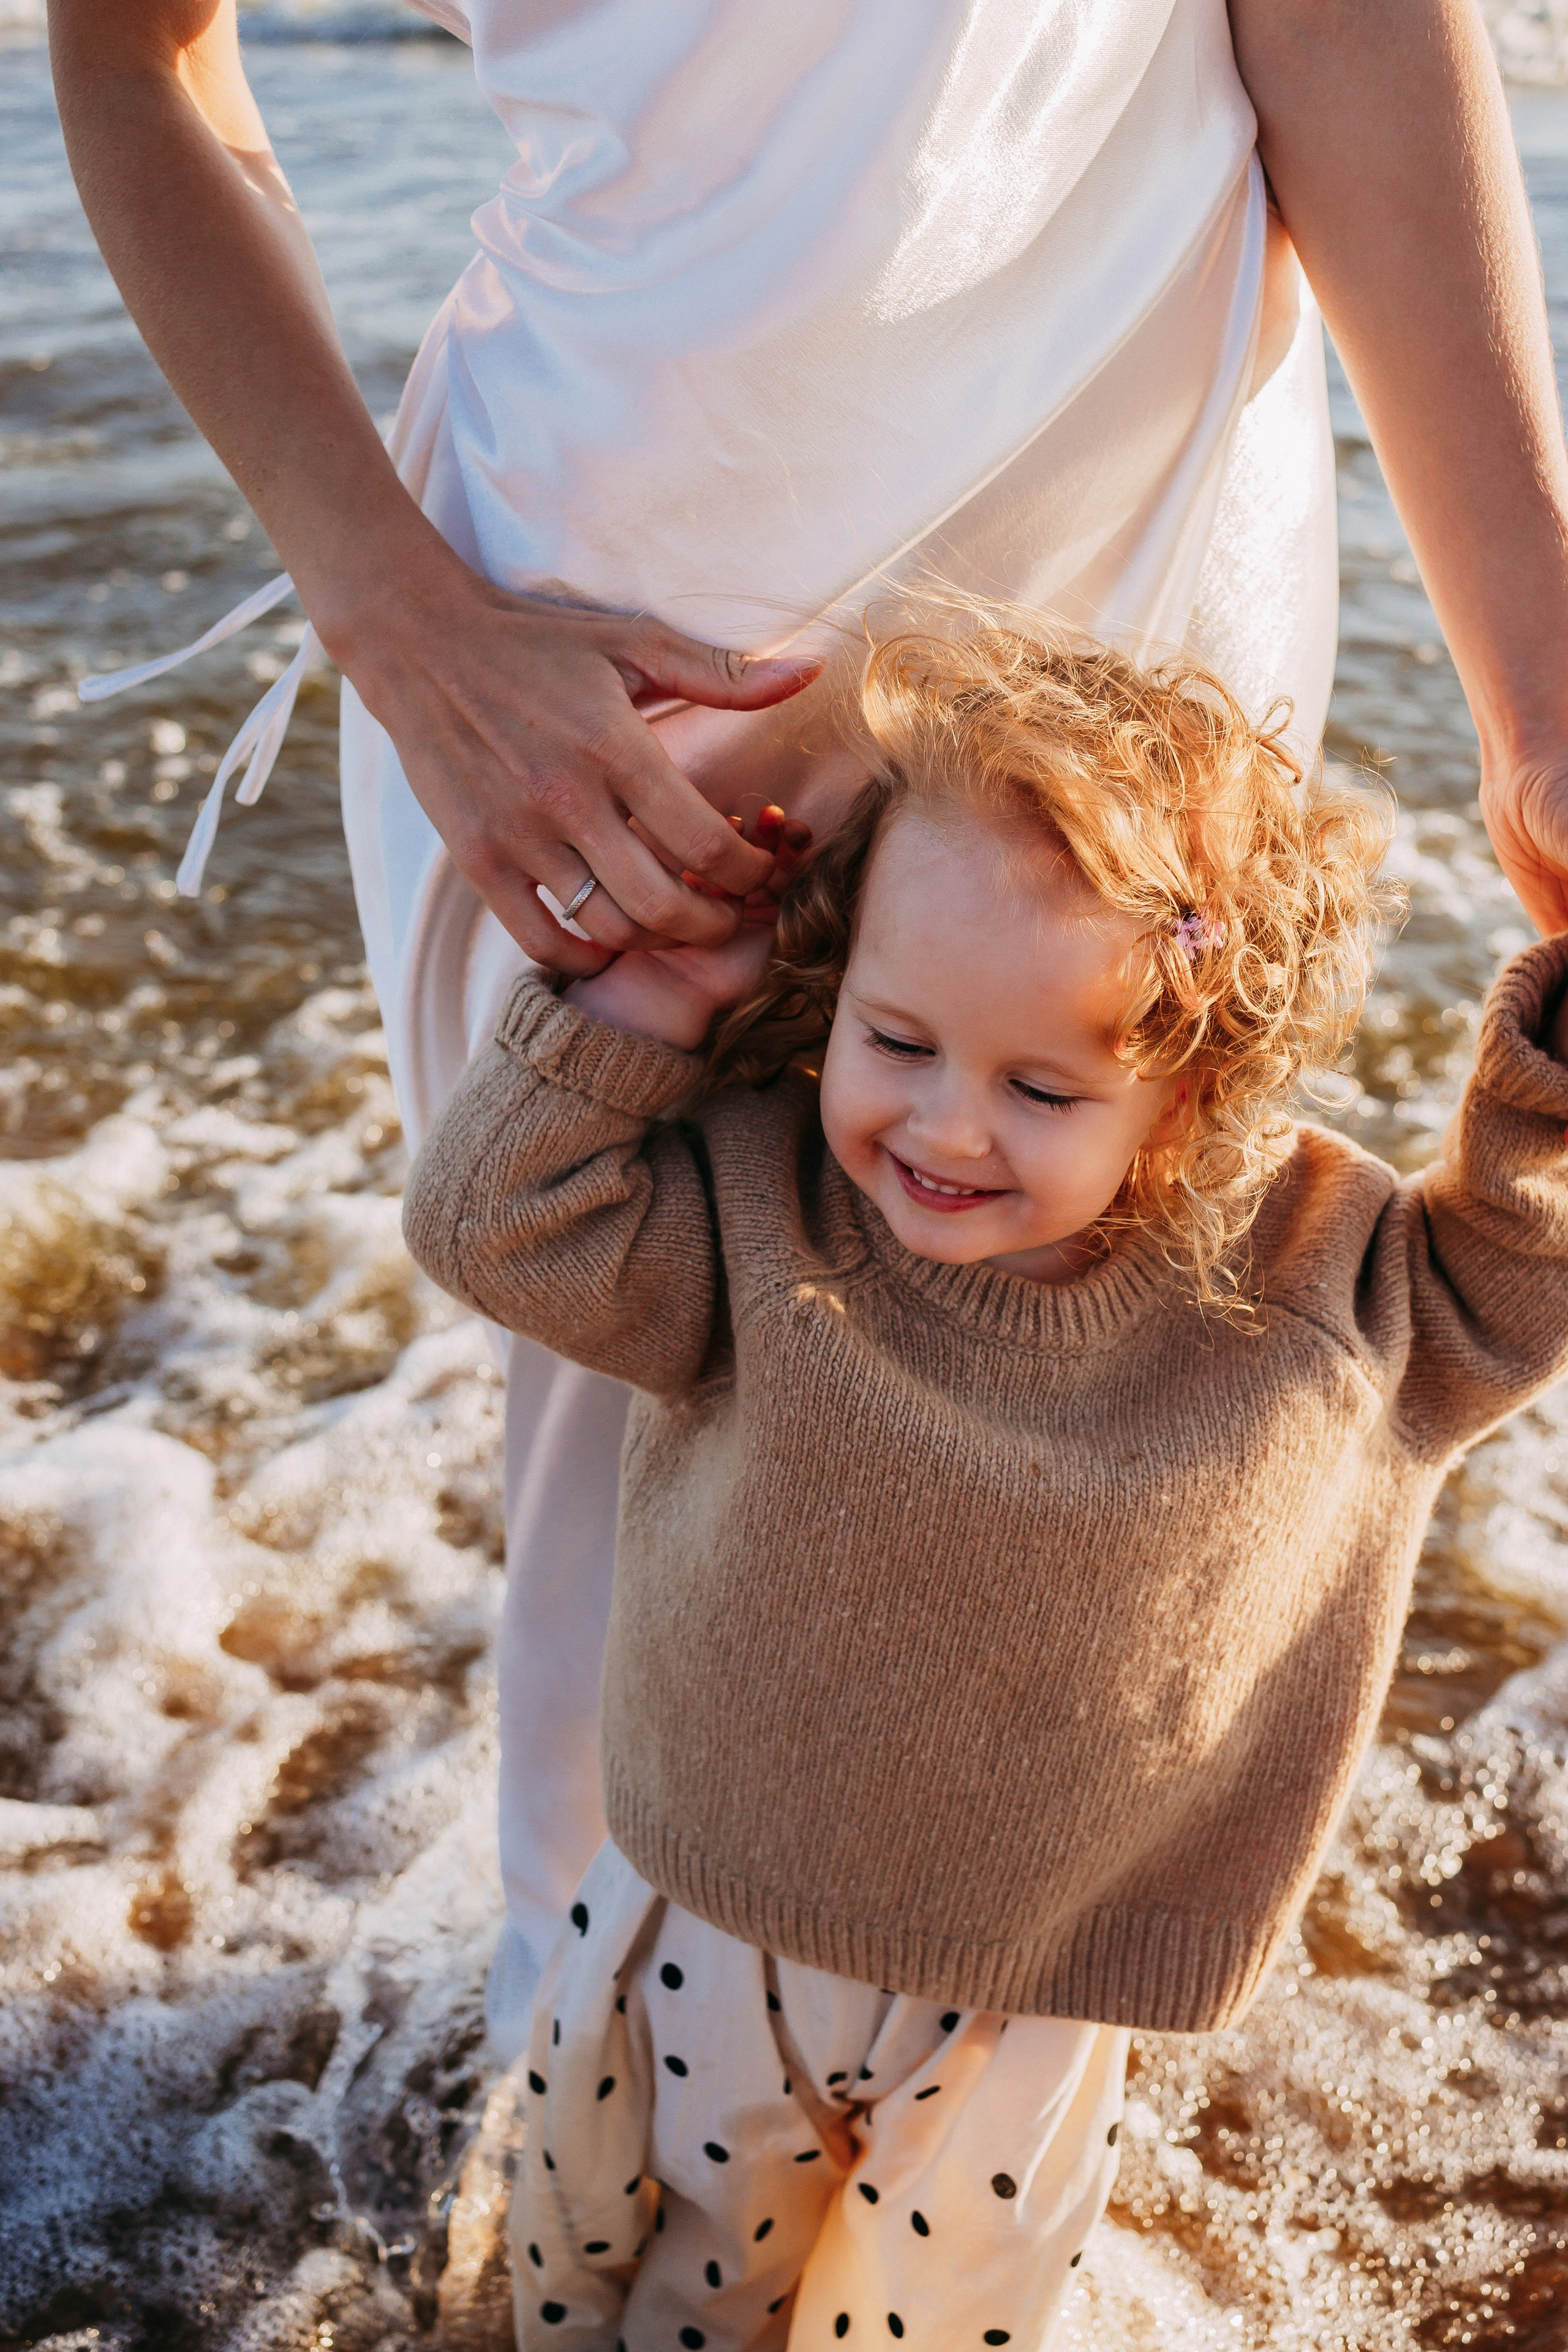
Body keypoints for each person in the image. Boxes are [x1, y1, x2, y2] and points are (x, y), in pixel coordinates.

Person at [50, 0, 1568, 2053]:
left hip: (1131, 591)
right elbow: (134, 50)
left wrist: (1539, 686)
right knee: (625, 1480)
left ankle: (985, 2163)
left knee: (1135, 1456)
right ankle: (595, 2130)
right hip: (606, 669)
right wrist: (392, 614)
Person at [401, 616, 1568, 2350]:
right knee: (661, 2294)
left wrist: (1550, 1078)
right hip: (716, 1930)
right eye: (897, 1039)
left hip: (1034, 1990)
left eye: (1040, 1084)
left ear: (1187, 1094)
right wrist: (664, 994)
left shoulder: (1317, 1281)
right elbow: (490, 1221)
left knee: (928, 2322)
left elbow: (1515, 1281)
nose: (947, 1130)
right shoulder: (768, 1209)